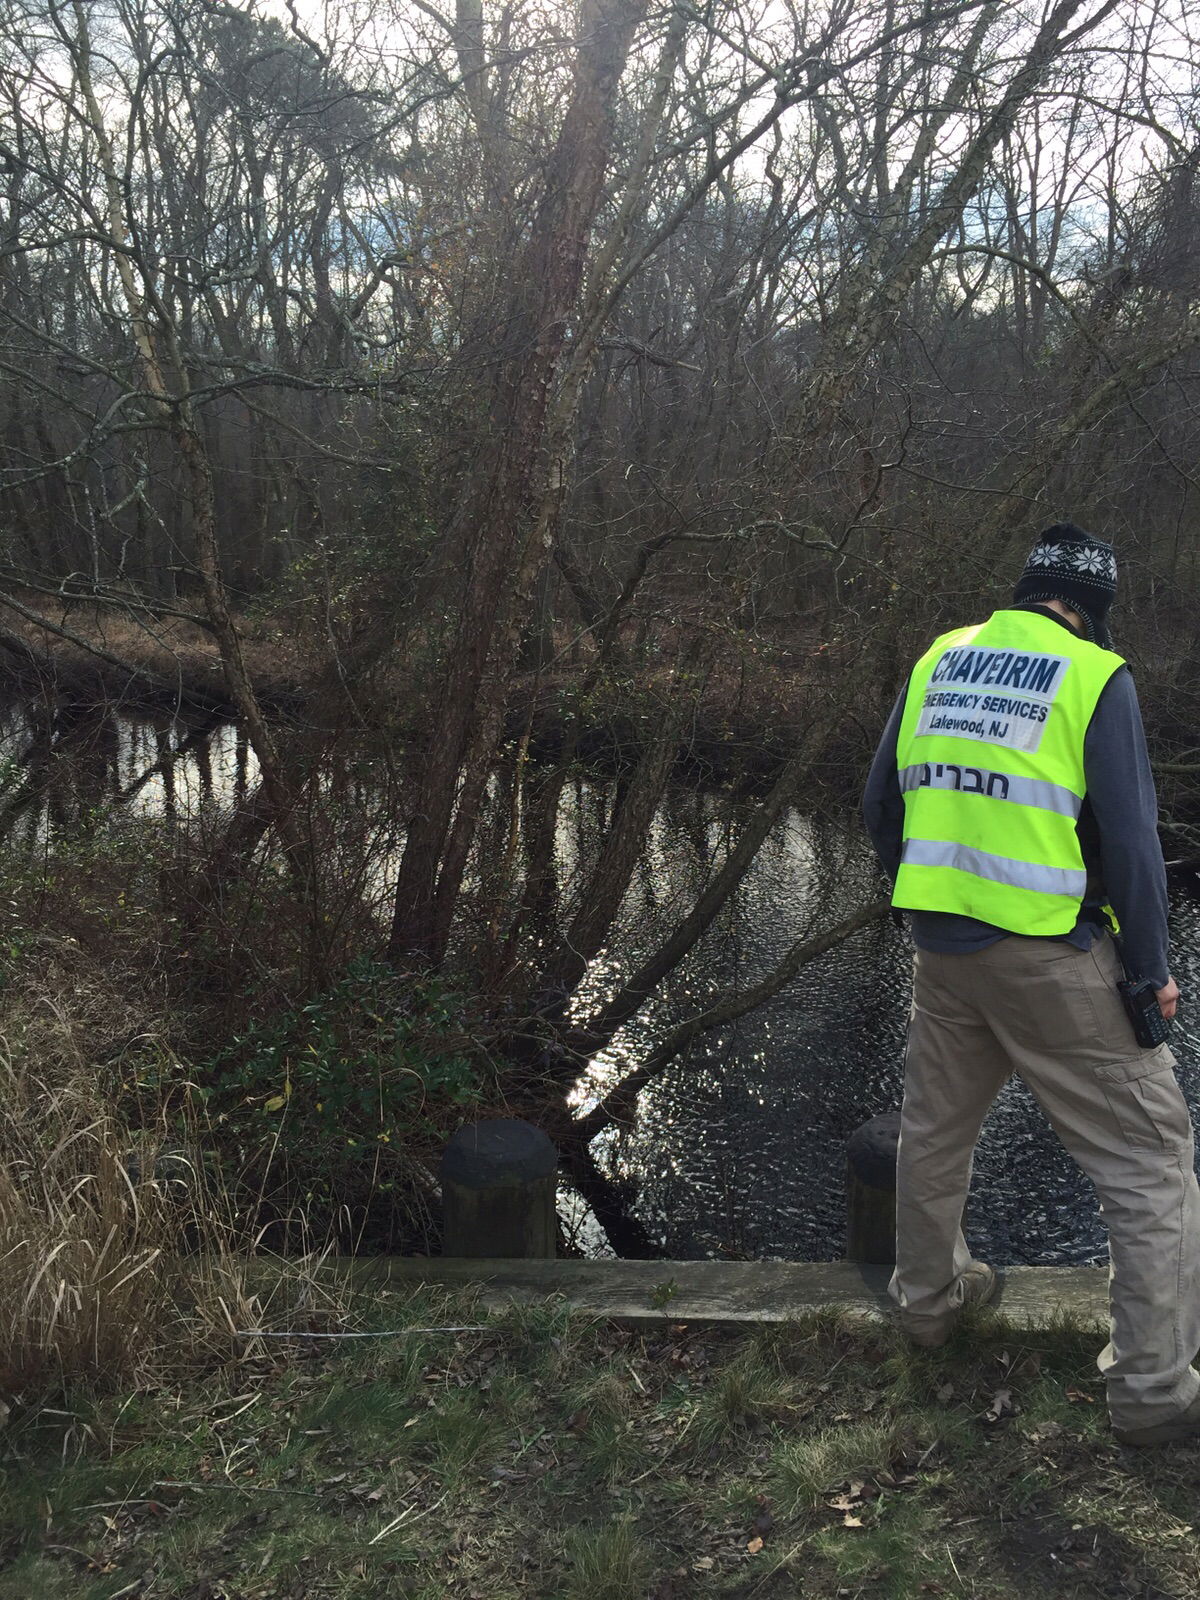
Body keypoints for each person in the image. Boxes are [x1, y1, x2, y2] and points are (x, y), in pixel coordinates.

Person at [862, 521, 1200, 1447]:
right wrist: (1152, 972)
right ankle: (1154, 1393)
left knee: (935, 1133)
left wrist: (926, 894)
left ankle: (926, 1308)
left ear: (1025, 590)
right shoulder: (1095, 675)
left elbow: (880, 803)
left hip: (943, 951)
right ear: (1091, 609)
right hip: (1052, 955)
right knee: (1151, 1163)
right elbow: (1131, 843)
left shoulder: (942, 655)